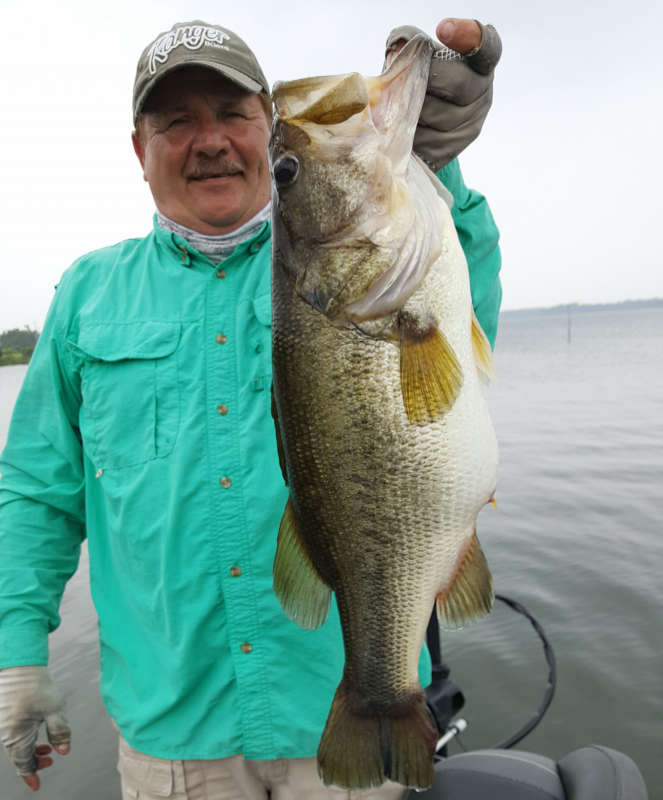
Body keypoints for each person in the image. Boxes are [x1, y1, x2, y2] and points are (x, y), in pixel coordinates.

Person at [0, 17, 502, 800]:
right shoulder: (87, 295)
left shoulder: (383, 254)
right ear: (140, 149)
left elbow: (462, 306)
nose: (209, 141)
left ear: (267, 130)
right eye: (176, 121)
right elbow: (35, 490)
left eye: (233, 114)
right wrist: (19, 656)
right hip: (173, 736)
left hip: (330, 716)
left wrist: (437, 163)